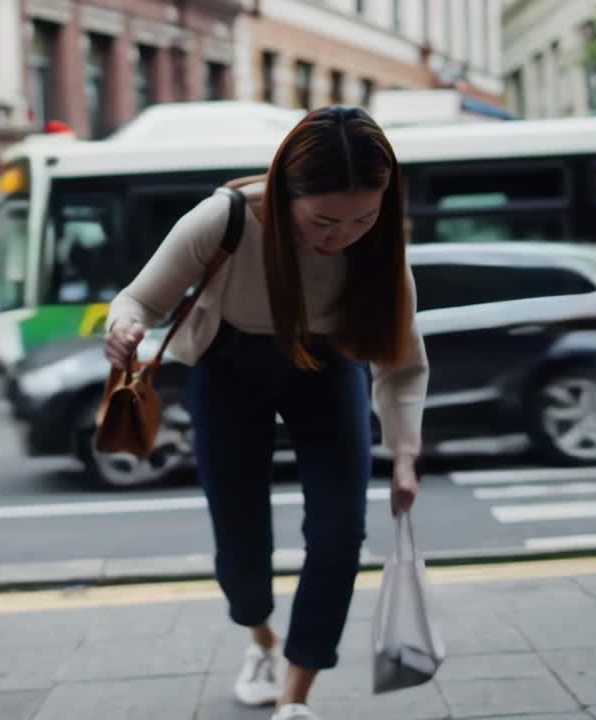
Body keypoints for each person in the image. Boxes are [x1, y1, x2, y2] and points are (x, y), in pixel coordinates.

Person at [103, 106, 430, 720]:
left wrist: (406, 455)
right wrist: (124, 328)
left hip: (328, 367)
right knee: (241, 539)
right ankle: (260, 641)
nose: (341, 237)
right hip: (229, 367)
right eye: (325, 220)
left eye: (363, 218)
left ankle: (294, 700)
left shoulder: (381, 249)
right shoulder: (225, 218)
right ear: (285, 191)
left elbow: (404, 363)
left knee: (340, 534)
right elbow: (141, 298)